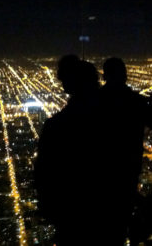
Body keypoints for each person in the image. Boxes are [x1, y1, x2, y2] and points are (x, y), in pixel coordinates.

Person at [34, 55, 102, 246]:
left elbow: (44, 171)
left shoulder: (56, 125)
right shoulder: (113, 121)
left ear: (67, 85)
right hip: (106, 208)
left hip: (69, 211)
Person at [99, 57, 152, 245]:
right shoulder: (135, 101)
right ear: (125, 76)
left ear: (105, 76)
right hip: (128, 170)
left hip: (99, 174)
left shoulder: (95, 100)